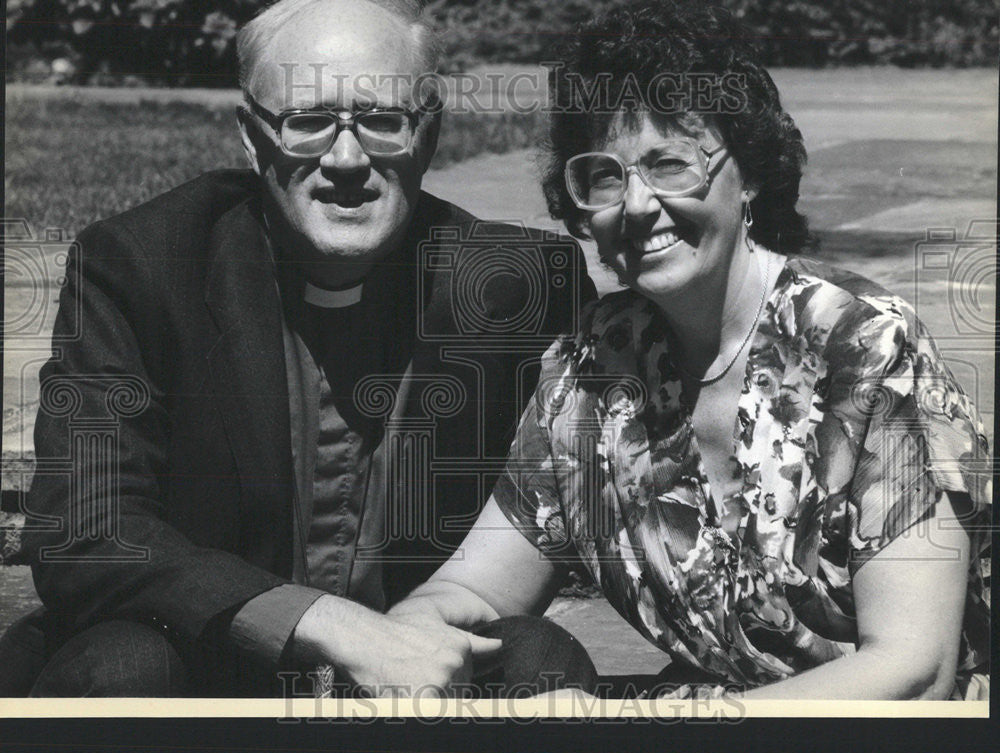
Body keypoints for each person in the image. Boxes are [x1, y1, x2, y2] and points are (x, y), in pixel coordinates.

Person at [390, 0, 991, 699]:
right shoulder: (588, 374)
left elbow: (915, 670)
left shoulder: (868, 352)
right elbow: (475, 584)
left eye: (670, 163)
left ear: (752, 176)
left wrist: (645, 732)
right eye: (605, 175)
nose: (637, 204)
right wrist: (405, 633)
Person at [2, 0, 597, 697]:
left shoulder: (520, 286)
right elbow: (83, 524)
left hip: (421, 666)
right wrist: (330, 625)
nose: (347, 159)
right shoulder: (139, 264)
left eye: (382, 121)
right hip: (202, 650)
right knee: (119, 668)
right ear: (253, 138)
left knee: (541, 661)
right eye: (308, 122)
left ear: (428, 133)